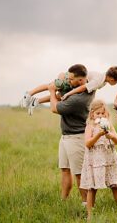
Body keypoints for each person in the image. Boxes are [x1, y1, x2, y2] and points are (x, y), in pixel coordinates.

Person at [49, 66, 93, 206]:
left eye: (71, 79)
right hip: (66, 136)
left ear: (80, 80)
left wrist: (51, 91)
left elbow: (54, 108)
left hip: (76, 138)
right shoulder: (76, 89)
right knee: (65, 169)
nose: (69, 80)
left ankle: (86, 203)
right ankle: (63, 200)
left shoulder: (78, 99)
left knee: (79, 174)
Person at [81, 99, 117, 218]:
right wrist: (98, 135)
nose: (101, 115)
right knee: (92, 188)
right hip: (95, 160)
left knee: (115, 185)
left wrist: (111, 135)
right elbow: (87, 143)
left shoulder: (108, 125)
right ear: (92, 114)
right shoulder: (90, 126)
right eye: (98, 113)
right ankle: (89, 215)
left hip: (109, 159)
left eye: (103, 113)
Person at [24, 66, 117, 113]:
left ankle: (36, 101)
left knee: (58, 96)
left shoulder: (104, 80)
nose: (116, 84)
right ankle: (29, 93)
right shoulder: (99, 80)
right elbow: (83, 87)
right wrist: (69, 94)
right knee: (54, 85)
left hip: (76, 83)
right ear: (112, 79)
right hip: (73, 80)